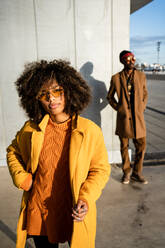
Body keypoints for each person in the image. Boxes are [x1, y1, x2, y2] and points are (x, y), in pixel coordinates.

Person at [7, 59, 110, 248]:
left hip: (73, 211)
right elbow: (12, 151)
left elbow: (100, 170)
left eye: (57, 91)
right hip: (40, 209)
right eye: (43, 94)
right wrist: (20, 177)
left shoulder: (89, 130)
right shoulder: (31, 129)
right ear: (35, 98)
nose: (51, 98)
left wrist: (86, 198)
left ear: (69, 91)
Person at [107, 50, 148, 185]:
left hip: (138, 118)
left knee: (141, 146)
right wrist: (119, 108)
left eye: (133, 59)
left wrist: (141, 107)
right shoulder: (116, 78)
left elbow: (145, 94)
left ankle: (137, 172)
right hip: (124, 119)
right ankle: (126, 173)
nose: (131, 61)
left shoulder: (141, 76)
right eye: (128, 59)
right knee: (124, 146)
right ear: (122, 61)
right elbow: (110, 97)